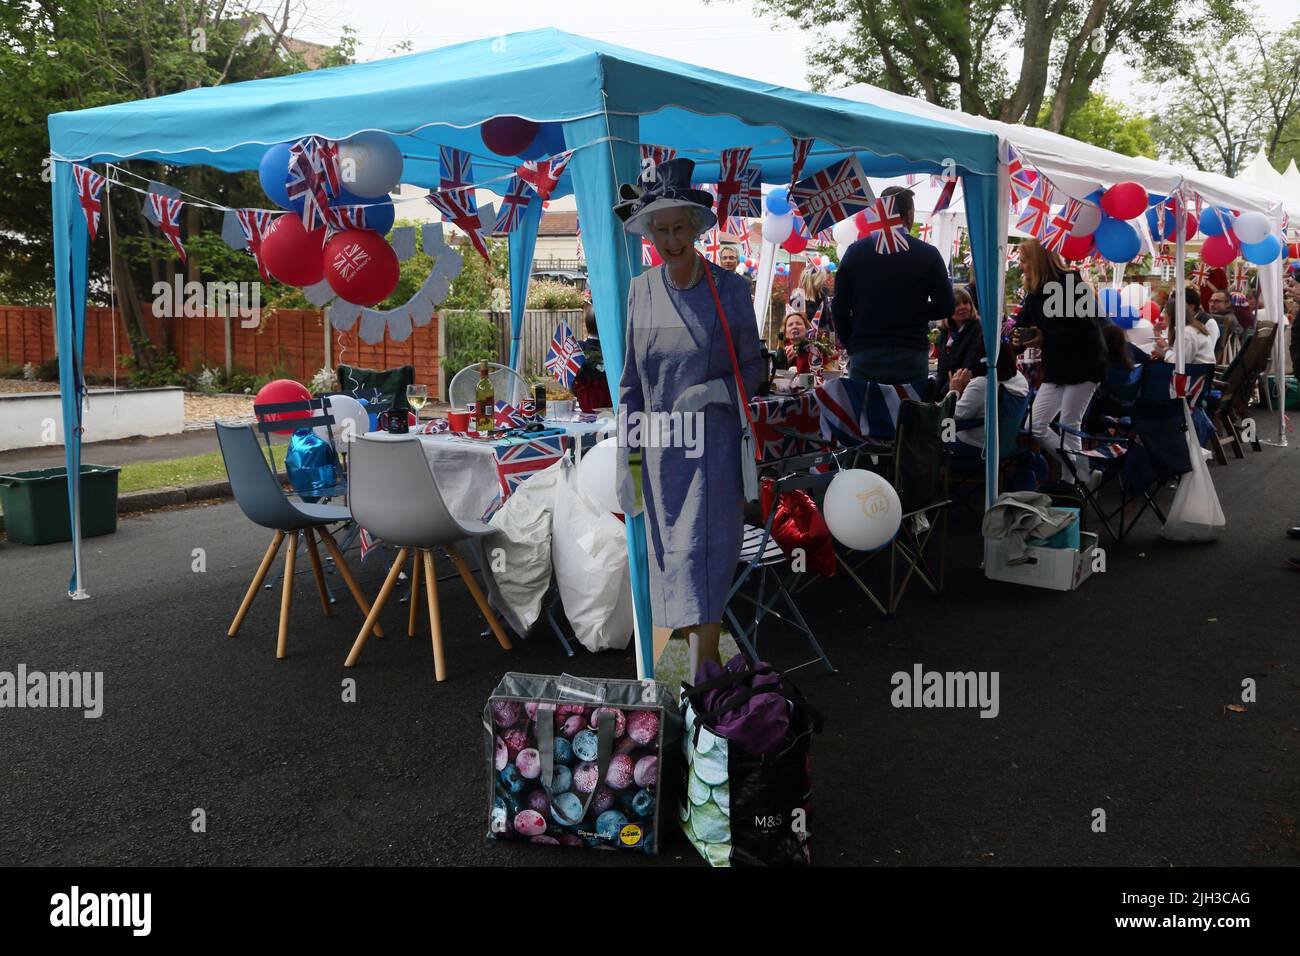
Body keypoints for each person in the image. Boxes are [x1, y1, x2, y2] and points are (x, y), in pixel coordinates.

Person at [613, 157, 764, 673]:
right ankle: (683, 677)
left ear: (696, 228)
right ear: (649, 230)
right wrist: (627, 462)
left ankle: (705, 680)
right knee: (670, 565)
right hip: (659, 456)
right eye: (661, 229)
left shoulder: (730, 290)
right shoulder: (640, 291)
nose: (672, 239)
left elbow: (755, 368)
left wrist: (715, 390)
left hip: (714, 453)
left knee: (708, 561)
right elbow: (631, 384)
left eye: (680, 228)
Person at [832, 185, 954, 384]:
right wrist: (914, 310)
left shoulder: (855, 253)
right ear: (910, 215)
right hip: (911, 350)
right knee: (909, 412)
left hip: (866, 350)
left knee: (866, 413)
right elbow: (947, 305)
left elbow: (839, 308)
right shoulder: (927, 254)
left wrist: (850, 342)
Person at [1012, 239, 1105, 475]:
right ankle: (1081, 475)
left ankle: (1074, 483)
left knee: (1069, 425)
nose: (1021, 266)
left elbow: (1089, 328)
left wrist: (1045, 337)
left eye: (1024, 261)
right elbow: (1023, 324)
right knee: (1035, 424)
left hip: (1084, 364)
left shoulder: (1073, 284)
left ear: (1037, 260)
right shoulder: (1033, 292)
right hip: (1057, 366)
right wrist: (1017, 340)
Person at [948, 344, 1027, 451]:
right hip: (1005, 445)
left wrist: (954, 390)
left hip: (976, 446)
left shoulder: (982, 384)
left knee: (942, 429)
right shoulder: (1020, 379)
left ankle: (943, 461)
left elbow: (952, 416)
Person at [934, 287, 985, 390]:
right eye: (956, 304)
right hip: (946, 387)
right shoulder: (944, 334)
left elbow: (966, 369)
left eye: (966, 302)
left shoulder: (978, 330)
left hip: (967, 388)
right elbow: (941, 371)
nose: (962, 307)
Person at [772, 307, 812, 374]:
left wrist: (800, 350)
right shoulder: (780, 351)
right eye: (790, 325)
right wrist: (783, 365)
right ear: (785, 333)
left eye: (798, 323)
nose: (794, 326)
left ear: (806, 329)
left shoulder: (815, 347)